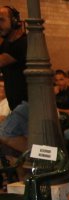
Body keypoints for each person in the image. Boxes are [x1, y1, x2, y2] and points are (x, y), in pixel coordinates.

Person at [0, 5, 28, 154]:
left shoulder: (23, 43)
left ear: (15, 21)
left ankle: (46, 158)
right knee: (12, 148)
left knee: (4, 133)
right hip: (16, 105)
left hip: (28, 103)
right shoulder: (5, 44)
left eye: (1, 20)